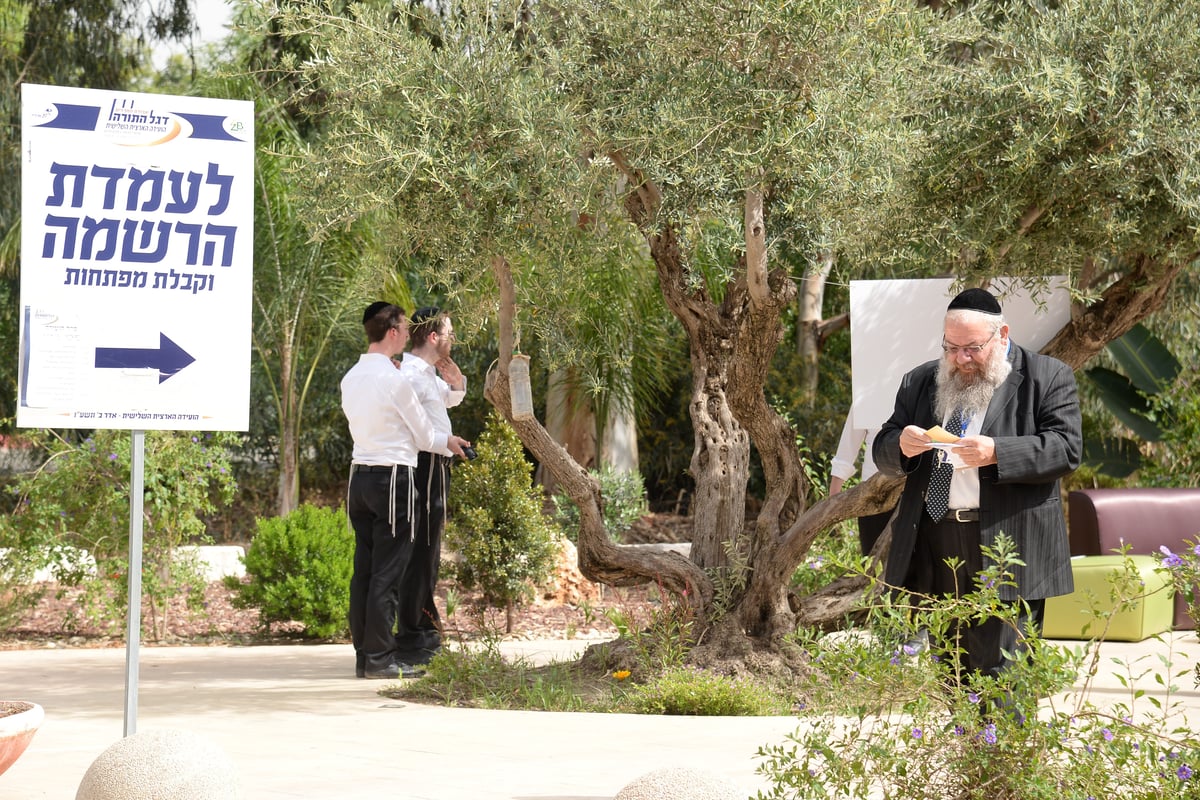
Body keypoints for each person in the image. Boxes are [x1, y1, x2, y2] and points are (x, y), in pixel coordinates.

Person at [871, 287, 1082, 681]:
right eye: (951, 348)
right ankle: (965, 742)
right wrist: (900, 444)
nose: (960, 359)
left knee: (1003, 672)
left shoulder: (1047, 376)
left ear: (1001, 336)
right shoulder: (921, 381)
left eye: (972, 348)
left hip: (1007, 544)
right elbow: (882, 448)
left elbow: (1066, 449)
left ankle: (1001, 744)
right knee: (951, 666)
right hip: (935, 541)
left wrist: (998, 452)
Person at [341, 302, 469, 680]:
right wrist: (451, 442)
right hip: (393, 478)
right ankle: (382, 658)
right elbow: (425, 435)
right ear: (393, 330)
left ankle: (366, 656)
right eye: (402, 325)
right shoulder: (396, 379)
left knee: (363, 572)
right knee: (388, 573)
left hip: (358, 476)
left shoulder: (351, 377)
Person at [394, 306, 466, 665]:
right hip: (425, 465)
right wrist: (446, 442)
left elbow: (447, 401)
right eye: (449, 331)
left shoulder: (426, 374)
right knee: (421, 550)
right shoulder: (411, 375)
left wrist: (457, 382)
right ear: (433, 337)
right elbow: (415, 432)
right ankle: (413, 634)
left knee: (430, 550)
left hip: (438, 464)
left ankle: (422, 627)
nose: (453, 337)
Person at [828, 415, 890, 555]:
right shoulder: (867, 393)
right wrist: (833, 499)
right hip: (873, 496)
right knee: (872, 565)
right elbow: (848, 444)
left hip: (916, 494)